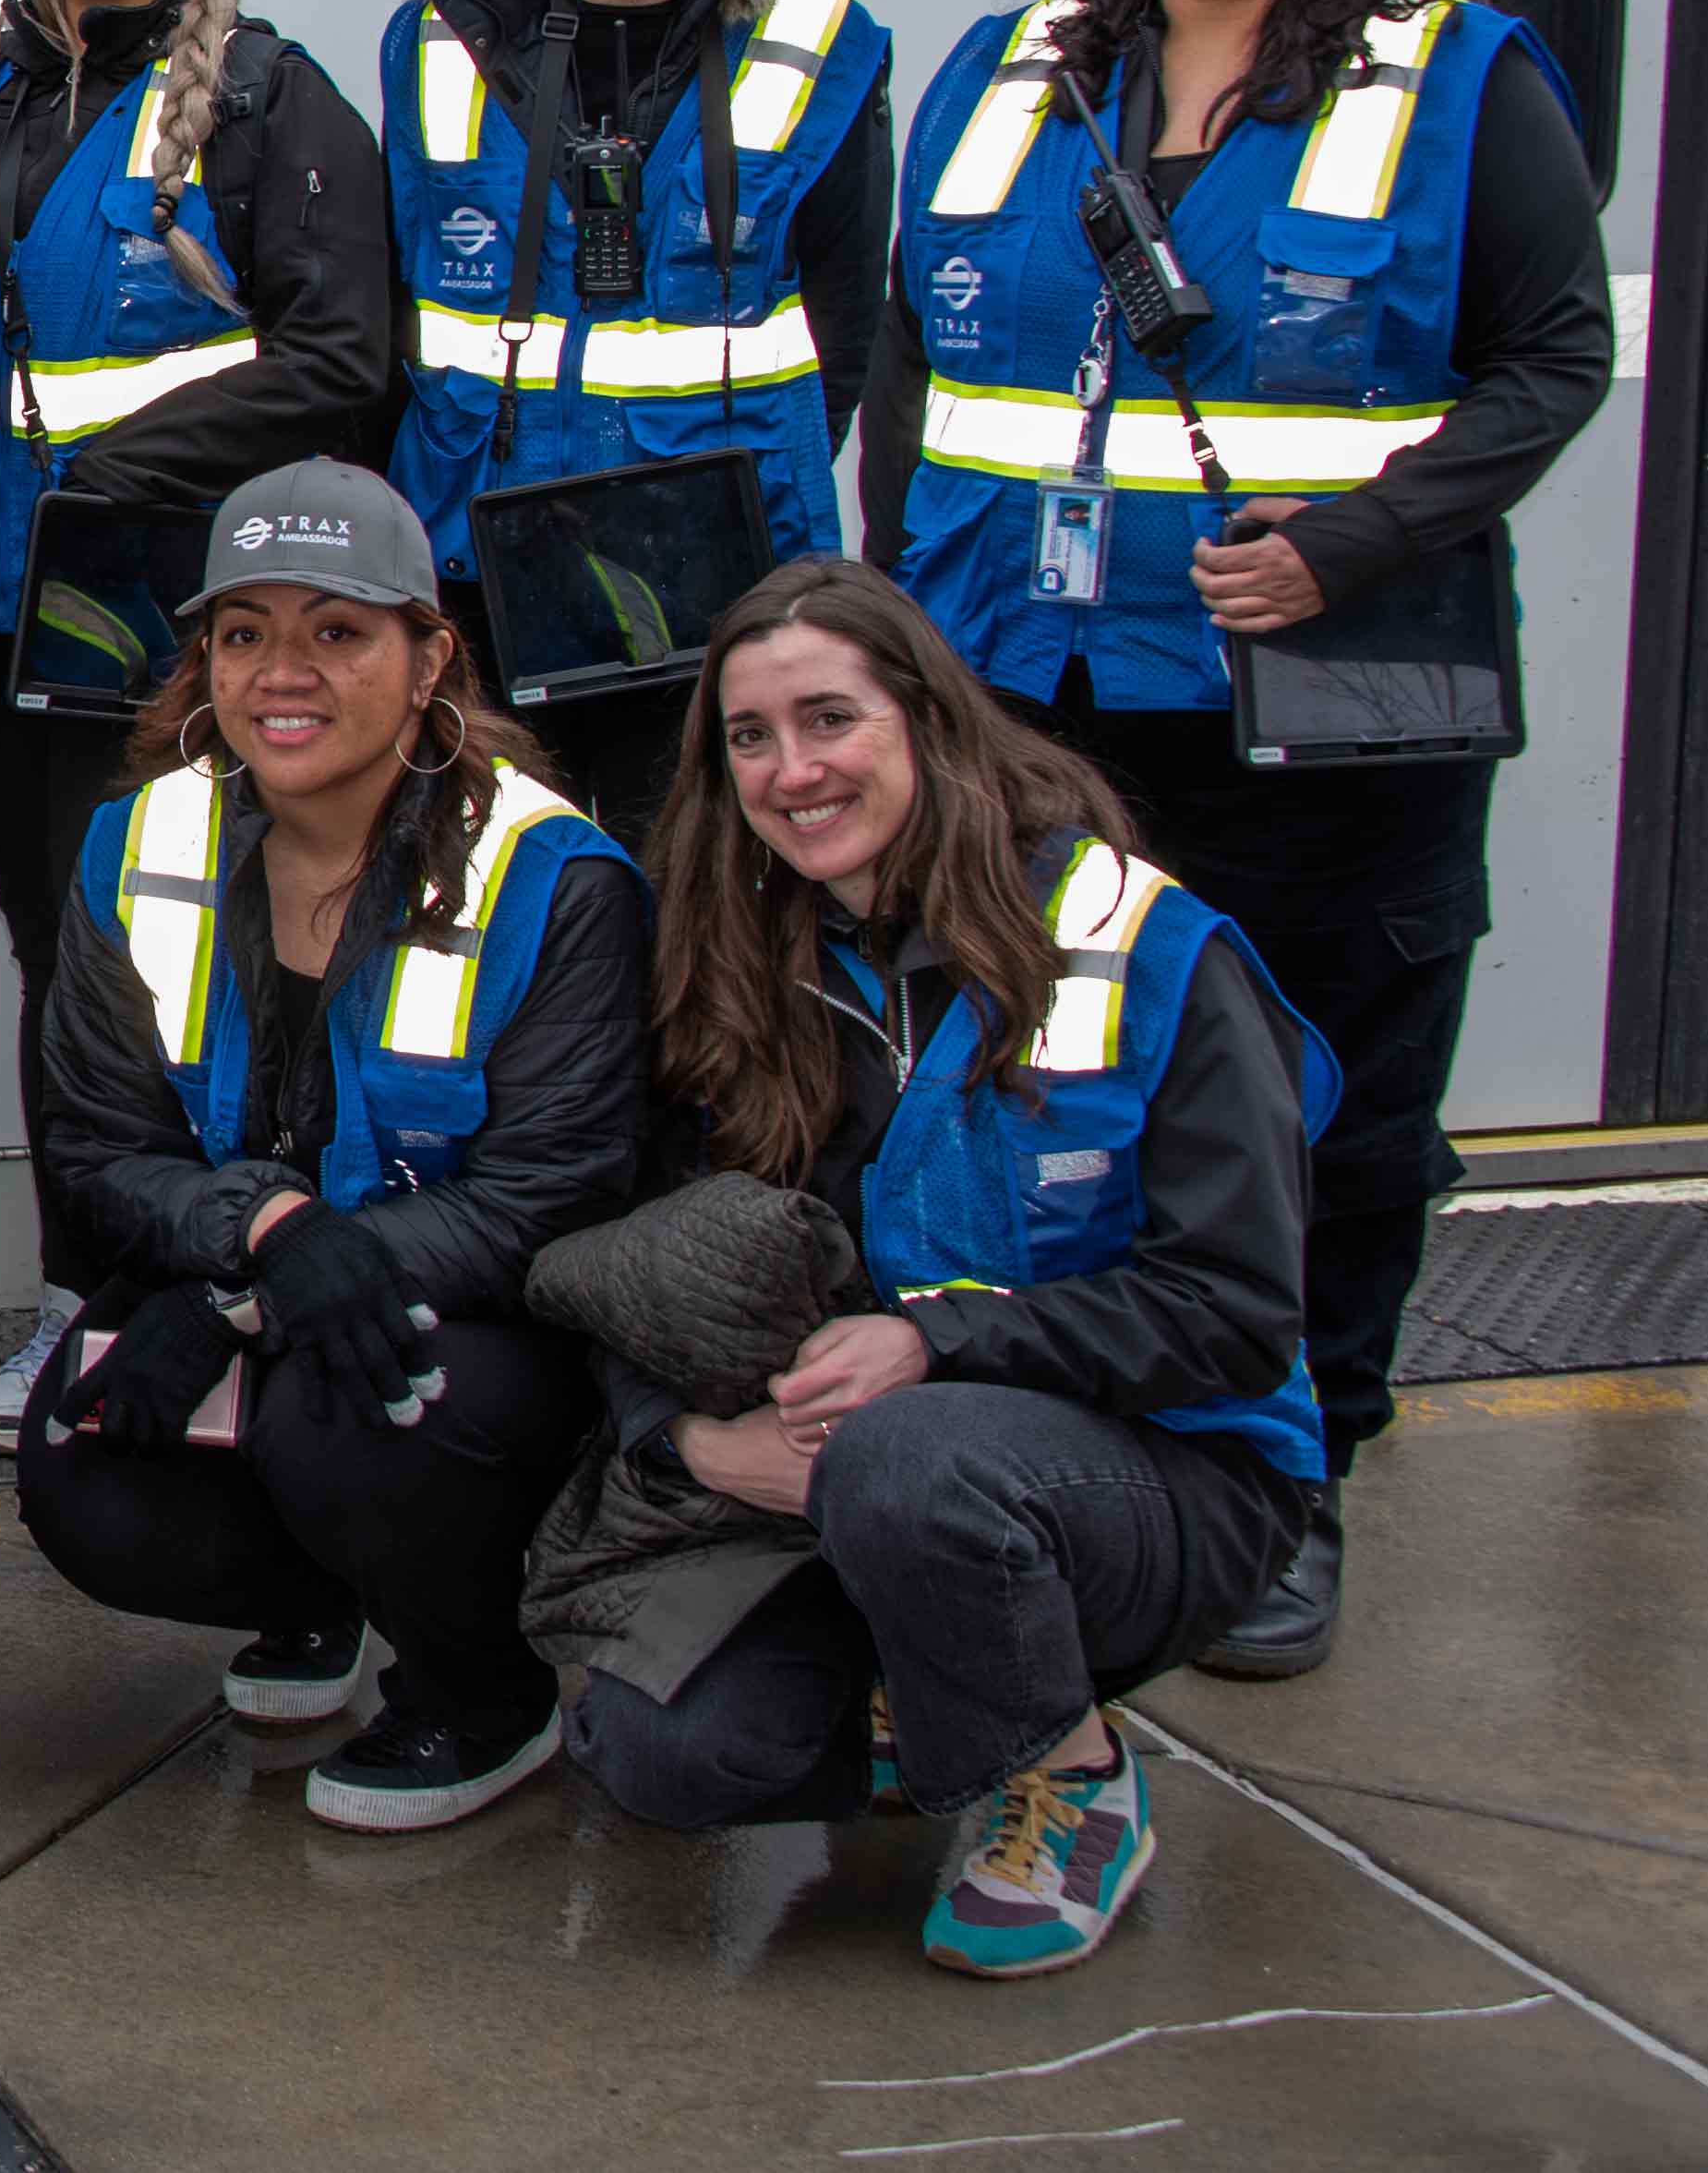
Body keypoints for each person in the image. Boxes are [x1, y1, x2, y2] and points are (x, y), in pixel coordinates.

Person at [870, 0, 1610, 1678]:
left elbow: (1553, 357)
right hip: (1029, 702)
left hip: (1313, 720)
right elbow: (909, 371)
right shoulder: (1008, 66)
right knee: (1045, 1076)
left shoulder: (1453, 78)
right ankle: (1083, 1423)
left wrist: (1347, 545)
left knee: (1329, 1106)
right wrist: (894, 634)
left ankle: (1290, 1479)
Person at [553, 561, 1325, 1979]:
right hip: (853, 1480)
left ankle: (1065, 1770)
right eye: (749, 736)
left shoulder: (1137, 943)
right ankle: (942, 1675)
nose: (791, 770)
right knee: (654, 1749)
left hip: (1163, 1476)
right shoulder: (723, 958)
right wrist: (691, 1439)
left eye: (828, 718)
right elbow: (621, 1260)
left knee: (913, 1464)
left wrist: (939, 1344)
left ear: (924, 718)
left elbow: (1235, 1312)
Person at [12, 459, 644, 1834]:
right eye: (244, 632)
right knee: (79, 1473)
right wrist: (252, 1241)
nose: (280, 671)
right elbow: (98, 1144)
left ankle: (485, 1685)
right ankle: (324, 1598)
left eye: (336, 630)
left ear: (429, 661)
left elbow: (555, 1191)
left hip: (480, 1318)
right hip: (253, 1264)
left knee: (346, 1412)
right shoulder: (140, 845)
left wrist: (256, 1288)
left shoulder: (556, 876)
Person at [0, 0, 398, 1456]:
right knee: (64, 954)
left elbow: (345, 358)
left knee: (184, 958)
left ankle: (191, 1293)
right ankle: (75, 1299)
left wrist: (117, 472)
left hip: (171, 617)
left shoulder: (270, 101)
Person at [379, 0, 895, 844]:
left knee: (701, 918)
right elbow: (398, 312)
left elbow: (850, 325)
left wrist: (738, 506)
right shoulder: (434, 39)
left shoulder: (818, 46)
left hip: (719, 583)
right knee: (495, 902)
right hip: (482, 571)